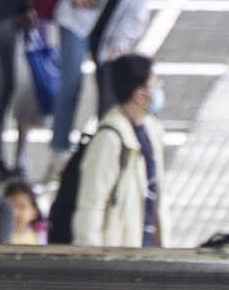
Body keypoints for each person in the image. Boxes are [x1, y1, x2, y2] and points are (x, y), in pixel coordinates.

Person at [56, 52, 169, 242]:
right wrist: (94, 261)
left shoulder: (153, 130)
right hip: (120, 254)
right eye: (155, 84)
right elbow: (91, 205)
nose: (158, 90)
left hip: (146, 251)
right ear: (140, 95)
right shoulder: (109, 139)